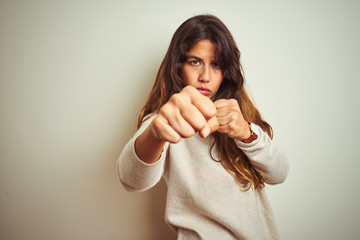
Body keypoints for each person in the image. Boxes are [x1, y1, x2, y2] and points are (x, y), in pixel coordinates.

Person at [117, 14, 288, 240]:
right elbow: (130, 180)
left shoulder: (238, 116)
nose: (205, 76)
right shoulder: (166, 120)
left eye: (216, 64)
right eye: (194, 61)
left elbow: (279, 173)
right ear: (177, 67)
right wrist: (155, 134)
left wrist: (247, 133)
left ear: (227, 72)